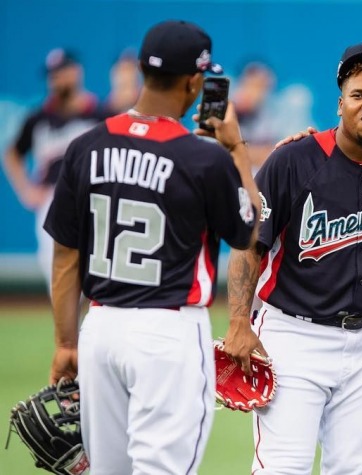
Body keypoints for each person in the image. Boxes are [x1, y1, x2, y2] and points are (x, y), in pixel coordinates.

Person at [44, 20, 260, 474]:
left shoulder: (85, 147)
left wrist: (66, 343)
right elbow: (247, 231)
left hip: (99, 331)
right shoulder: (204, 159)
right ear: (195, 81)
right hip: (168, 335)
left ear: (142, 70)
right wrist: (236, 150)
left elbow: (66, 256)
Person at [225, 41, 362, 474]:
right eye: (359, 95)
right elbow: (250, 245)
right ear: (340, 103)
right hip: (294, 336)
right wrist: (238, 323)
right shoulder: (293, 159)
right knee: (282, 467)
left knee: (358, 468)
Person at [3, 48, 106, 291]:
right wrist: (26, 190)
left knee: (97, 278)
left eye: (62, 72)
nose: (57, 79)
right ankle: (68, 329)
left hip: (94, 200)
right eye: (53, 75)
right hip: (53, 200)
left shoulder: (100, 115)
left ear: (76, 72)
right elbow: (12, 153)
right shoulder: (38, 119)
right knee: (60, 282)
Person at [231, 60, 316, 171]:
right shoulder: (229, 111)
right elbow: (217, 153)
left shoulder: (285, 111)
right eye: (250, 85)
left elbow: (290, 156)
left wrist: (238, 151)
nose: (254, 92)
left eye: (260, 86)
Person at [103, 49, 142, 114]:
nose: (125, 76)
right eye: (122, 70)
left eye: (128, 70)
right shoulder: (100, 113)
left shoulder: (148, 114)